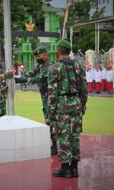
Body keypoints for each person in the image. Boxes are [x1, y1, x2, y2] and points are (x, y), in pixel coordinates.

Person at [47, 40, 87, 178]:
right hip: (76, 103)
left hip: (62, 105)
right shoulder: (78, 66)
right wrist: (82, 105)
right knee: (74, 136)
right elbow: (83, 89)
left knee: (63, 137)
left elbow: (52, 93)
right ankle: (75, 168)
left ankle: (65, 168)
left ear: (58, 51)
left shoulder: (54, 68)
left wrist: (51, 112)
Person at [27, 46, 57, 155]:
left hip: (52, 98)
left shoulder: (49, 66)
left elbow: (38, 78)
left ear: (45, 55)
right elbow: (31, 73)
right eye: (36, 56)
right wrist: (24, 76)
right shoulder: (39, 66)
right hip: (45, 99)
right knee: (48, 120)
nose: (37, 58)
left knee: (52, 120)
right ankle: (54, 143)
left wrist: (25, 80)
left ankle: (56, 144)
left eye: (39, 55)